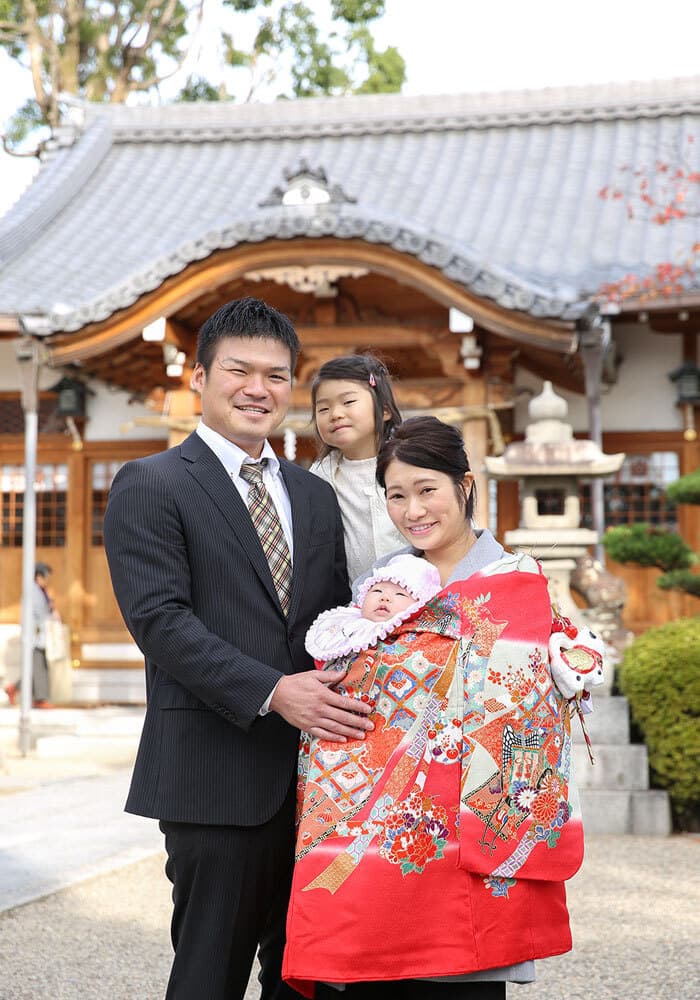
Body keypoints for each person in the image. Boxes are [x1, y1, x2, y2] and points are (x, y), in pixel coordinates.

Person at [103, 297, 374, 1000]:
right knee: (207, 976)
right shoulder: (152, 483)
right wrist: (273, 691)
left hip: (321, 783)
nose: (259, 389)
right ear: (199, 379)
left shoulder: (314, 496)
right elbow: (160, 620)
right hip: (211, 774)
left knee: (308, 978)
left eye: (278, 376)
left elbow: (338, 619)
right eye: (240, 370)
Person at [283, 416, 603, 999]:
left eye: (427, 489)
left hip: (476, 819)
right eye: (396, 495)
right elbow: (353, 677)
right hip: (382, 825)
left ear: (465, 484)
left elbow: (536, 690)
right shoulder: (384, 586)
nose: (413, 510)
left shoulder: (515, 580)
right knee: (376, 971)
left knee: (466, 979)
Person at [309, 355, 404, 584]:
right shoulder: (322, 475)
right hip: (359, 602)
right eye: (323, 408)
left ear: (384, 411)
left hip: (422, 591)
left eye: (348, 402)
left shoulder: (409, 461)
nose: (335, 414)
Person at [304, 554, 442, 665]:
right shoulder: (350, 624)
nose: (384, 598)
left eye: (399, 594)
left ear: (418, 606)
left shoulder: (422, 636)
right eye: (377, 590)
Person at [4, 561, 55, 708]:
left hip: (37, 636)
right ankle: (40, 698)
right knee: (38, 667)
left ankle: (14, 688)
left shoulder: (39, 591)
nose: (46, 581)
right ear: (38, 576)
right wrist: (49, 608)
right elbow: (37, 614)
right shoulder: (34, 591)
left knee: (34, 667)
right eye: (45, 577)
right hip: (34, 636)